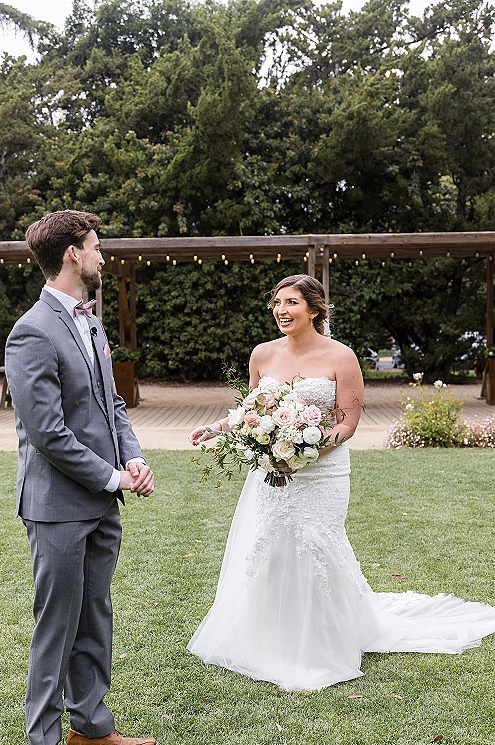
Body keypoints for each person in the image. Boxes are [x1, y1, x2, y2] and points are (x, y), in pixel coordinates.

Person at [187, 274, 495, 691]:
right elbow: (251, 411)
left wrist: (303, 454)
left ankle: (321, 644)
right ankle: (269, 638)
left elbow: (348, 423)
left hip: (323, 473)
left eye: (291, 302)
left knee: (317, 545)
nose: (281, 310)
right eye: (277, 302)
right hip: (273, 472)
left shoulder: (341, 357)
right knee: (273, 547)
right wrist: (219, 427)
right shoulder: (262, 355)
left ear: (314, 310)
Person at [5, 210, 156, 745]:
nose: (101, 255)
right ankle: (43, 744)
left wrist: (132, 456)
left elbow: (110, 404)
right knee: (57, 623)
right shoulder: (31, 330)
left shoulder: (90, 322)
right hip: (57, 506)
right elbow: (46, 433)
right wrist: (113, 478)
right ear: (72, 253)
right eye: (95, 246)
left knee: (95, 615)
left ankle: (90, 724)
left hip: (101, 501)